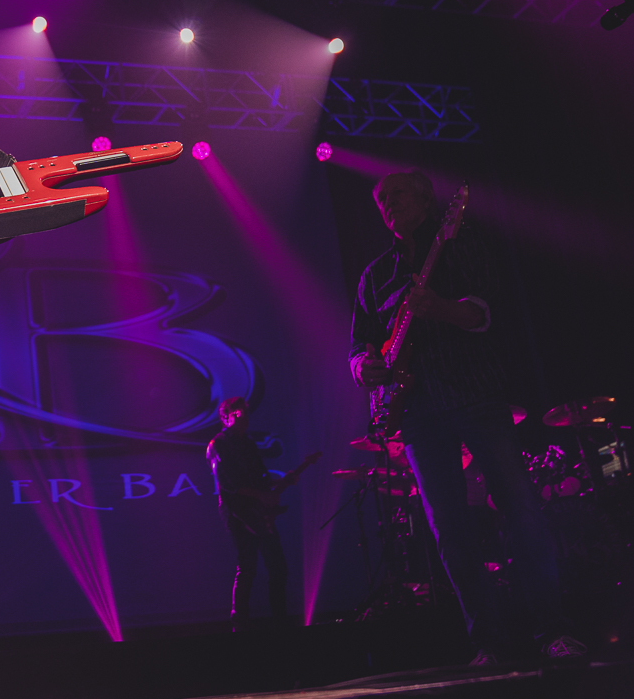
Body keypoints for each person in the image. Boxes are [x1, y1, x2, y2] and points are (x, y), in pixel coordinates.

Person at [348, 171, 584, 666]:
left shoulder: (459, 243)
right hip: (416, 413)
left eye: (396, 195)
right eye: (380, 201)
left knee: (521, 511)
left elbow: (482, 316)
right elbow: (359, 348)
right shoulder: (375, 275)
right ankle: (488, 641)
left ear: (427, 201)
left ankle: (552, 629)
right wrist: (364, 366)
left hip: (477, 396)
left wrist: (439, 309)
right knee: (450, 533)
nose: (387, 205)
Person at [207, 398, 315, 630]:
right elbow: (228, 483)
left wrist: (283, 480)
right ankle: (240, 624)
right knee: (247, 566)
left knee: (277, 567)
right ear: (225, 418)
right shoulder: (218, 444)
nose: (242, 417)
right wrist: (261, 495)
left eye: (244, 413)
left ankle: (280, 621)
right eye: (236, 414)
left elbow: (260, 477)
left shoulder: (248, 443)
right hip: (238, 512)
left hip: (260, 511)